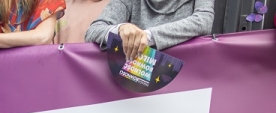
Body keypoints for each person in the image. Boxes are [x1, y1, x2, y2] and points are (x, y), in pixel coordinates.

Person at [85, 0, 215, 61]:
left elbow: (203, 21)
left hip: (186, 81)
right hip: (136, 83)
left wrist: (147, 36)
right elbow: (93, 31)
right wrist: (121, 29)